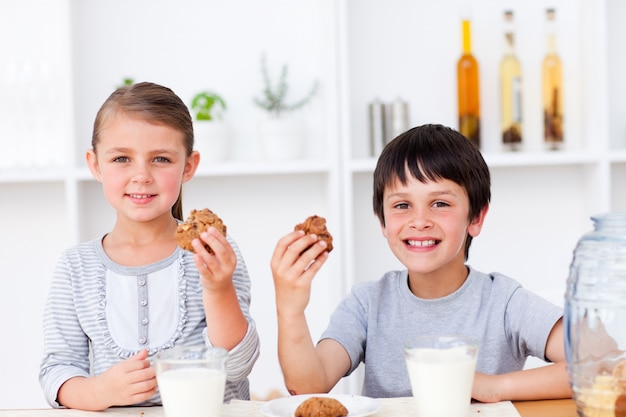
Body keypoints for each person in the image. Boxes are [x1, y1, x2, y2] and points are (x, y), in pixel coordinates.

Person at [270, 124, 572, 402]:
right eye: (402, 205)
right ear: (383, 222)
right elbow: (309, 387)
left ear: (476, 217)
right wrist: (290, 310)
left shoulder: (504, 302)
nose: (420, 221)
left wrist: (493, 387)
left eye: (440, 203)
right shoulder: (366, 305)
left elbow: (602, 365)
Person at [39, 82, 260, 410]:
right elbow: (56, 370)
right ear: (95, 164)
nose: (141, 175)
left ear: (188, 166)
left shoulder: (213, 254)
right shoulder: (76, 267)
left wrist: (218, 287)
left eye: (160, 158)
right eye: (121, 158)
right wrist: (98, 391)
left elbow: (237, 366)